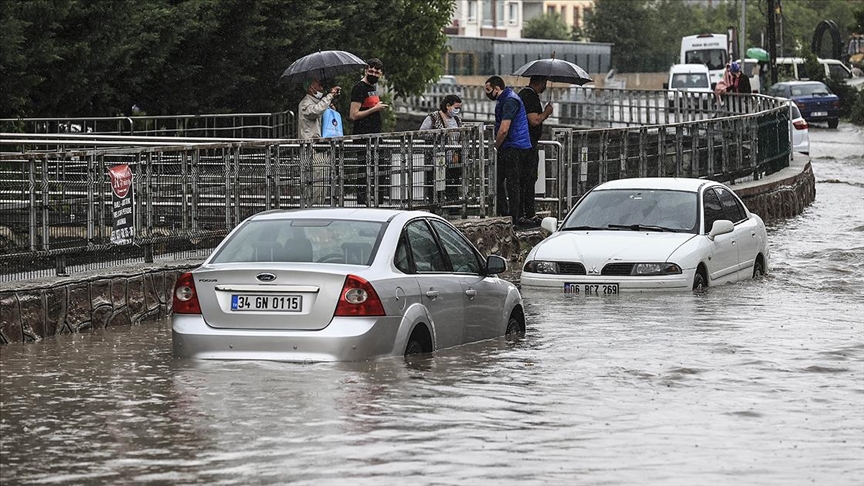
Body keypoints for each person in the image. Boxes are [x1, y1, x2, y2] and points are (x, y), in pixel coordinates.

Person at [484, 75, 532, 225]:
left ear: (497, 88)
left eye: (488, 89)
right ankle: (506, 212)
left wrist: (495, 146)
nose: (487, 93)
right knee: (500, 180)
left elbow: (504, 129)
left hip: (514, 146)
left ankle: (512, 216)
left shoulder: (510, 101)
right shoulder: (505, 99)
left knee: (511, 182)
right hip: (512, 145)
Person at [349, 58, 388, 206]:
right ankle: (362, 201)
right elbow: (353, 115)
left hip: (375, 135)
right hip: (363, 136)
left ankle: (378, 200)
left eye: (376, 72)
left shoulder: (373, 88)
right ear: (366, 70)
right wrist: (375, 109)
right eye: (370, 71)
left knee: (381, 168)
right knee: (364, 170)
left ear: (381, 74)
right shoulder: (360, 88)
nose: (373, 73)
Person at [297, 78, 341, 205]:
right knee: (314, 184)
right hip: (312, 151)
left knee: (323, 185)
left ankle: (319, 208)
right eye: (319, 85)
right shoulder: (305, 104)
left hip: (322, 150)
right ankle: (311, 210)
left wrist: (331, 107)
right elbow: (316, 111)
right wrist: (330, 96)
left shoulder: (320, 103)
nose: (321, 88)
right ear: (311, 88)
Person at [518, 76, 553, 225]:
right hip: (528, 144)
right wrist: (546, 112)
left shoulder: (525, 95)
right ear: (541, 82)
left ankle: (527, 212)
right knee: (527, 178)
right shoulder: (529, 97)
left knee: (529, 178)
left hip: (527, 143)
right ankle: (526, 214)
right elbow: (534, 120)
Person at [419, 94, 463, 203]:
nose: (457, 110)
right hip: (436, 158)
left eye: (459, 108)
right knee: (436, 183)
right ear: (448, 106)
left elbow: (461, 135)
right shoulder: (433, 118)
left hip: (453, 158)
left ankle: (453, 205)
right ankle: (435, 204)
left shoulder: (457, 119)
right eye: (456, 107)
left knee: (452, 184)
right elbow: (421, 133)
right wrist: (439, 136)